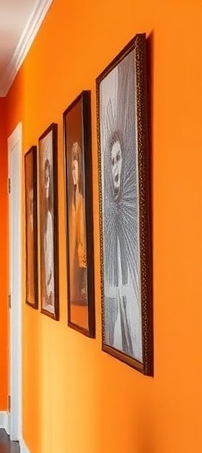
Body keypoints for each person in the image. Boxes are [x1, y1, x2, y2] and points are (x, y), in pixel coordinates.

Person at [104, 127, 141, 358]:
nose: (116, 166)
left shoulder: (130, 208)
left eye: (119, 159)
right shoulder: (108, 211)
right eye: (112, 161)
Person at [69, 141, 87, 305]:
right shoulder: (74, 199)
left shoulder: (82, 199)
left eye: (75, 168)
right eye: (72, 168)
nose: (73, 172)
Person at [41, 157, 54, 311]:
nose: (46, 183)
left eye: (48, 178)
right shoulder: (44, 215)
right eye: (45, 179)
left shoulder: (50, 217)